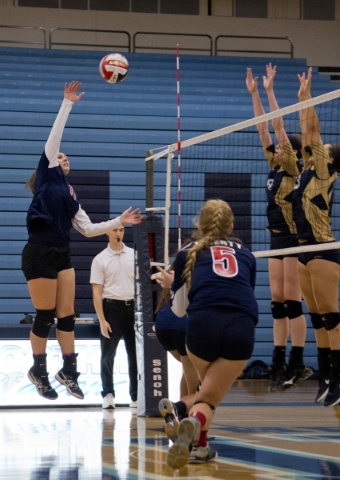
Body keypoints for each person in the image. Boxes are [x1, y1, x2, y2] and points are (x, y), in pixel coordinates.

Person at [22, 81, 142, 401]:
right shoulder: (47, 175)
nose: (63, 158)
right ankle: (38, 369)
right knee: (45, 315)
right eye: (58, 157)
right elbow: (54, 138)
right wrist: (67, 104)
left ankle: (69, 371)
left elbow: (88, 229)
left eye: (64, 158)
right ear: (50, 163)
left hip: (62, 252)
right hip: (39, 250)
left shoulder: (70, 193)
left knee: (67, 315)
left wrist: (120, 222)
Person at [160, 199, 258, 468]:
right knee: (209, 398)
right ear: (231, 226)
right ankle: (194, 424)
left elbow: (179, 310)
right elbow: (245, 293)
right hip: (240, 327)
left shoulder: (186, 254)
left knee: (206, 392)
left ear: (198, 225)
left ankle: (198, 441)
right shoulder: (247, 254)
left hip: (201, 328)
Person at [246, 64, 311, 392]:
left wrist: (270, 91)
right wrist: (255, 93)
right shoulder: (274, 164)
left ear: (293, 152)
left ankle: (297, 361)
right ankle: (278, 359)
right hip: (275, 240)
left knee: (291, 301)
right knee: (276, 300)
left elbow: (278, 127)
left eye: (281, 145)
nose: (275, 146)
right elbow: (263, 130)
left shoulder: (291, 163)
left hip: (294, 238)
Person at [294, 67, 340, 406]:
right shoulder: (308, 169)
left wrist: (309, 99)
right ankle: (325, 376)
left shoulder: (324, 171)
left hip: (323, 249)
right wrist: (300, 100)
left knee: (330, 315)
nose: (323, 145)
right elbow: (307, 130)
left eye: (328, 147)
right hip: (303, 250)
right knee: (315, 317)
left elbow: (313, 129)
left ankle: (338, 378)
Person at [90, 225, 138, 409]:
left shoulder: (133, 255)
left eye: (121, 230)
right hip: (111, 308)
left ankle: (135, 396)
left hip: (132, 308)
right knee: (108, 354)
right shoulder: (100, 259)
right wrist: (102, 319)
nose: (119, 233)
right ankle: (108, 394)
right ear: (107, 232)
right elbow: (97, 292)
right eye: (115, 230)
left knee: (134, 355)